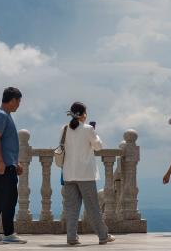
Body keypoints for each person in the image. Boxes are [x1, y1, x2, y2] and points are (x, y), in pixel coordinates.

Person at [60, 102, 115, 246]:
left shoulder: (65, 129)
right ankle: (103, 236)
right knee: (92, 207)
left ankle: (71, 237)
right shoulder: (88, 129)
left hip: (69, 173)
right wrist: (94, 132)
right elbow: (98, 146)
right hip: (85, 174)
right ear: (83, 114)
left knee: (71, 208)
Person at [0, 87, 26, 243]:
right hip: (3, 166)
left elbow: (7, 144)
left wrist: (16, 163)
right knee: (9, 199)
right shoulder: (1, 115)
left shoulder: (5, 115)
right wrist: (0, 161)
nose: (19, 105)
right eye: (18, 101)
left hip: (8, 164)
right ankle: (9, 234)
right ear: (13, 100)